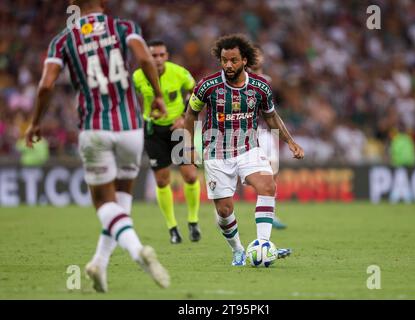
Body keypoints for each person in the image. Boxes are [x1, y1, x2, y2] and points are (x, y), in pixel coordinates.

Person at [25, 0, 170, 292]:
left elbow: (46, 85)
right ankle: (98, 264)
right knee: (121, 201)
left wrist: (35, 121)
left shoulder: (63, 40)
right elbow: (144, 60)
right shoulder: (124, 27)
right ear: (103, 3)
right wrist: (157, 95)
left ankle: (138, 250)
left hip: (94, 127)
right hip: (130, 126)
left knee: (104, 203)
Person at [184, 34, 304, 266]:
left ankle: (263, 244)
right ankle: (238, 249)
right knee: (225, 210)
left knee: (267, 185)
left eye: (234, 60)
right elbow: (190, 113)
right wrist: (188, 145)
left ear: (245, 61)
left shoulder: (260, 86)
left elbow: (271, 117)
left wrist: (290, 141)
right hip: (216, 154)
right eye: (224, 60)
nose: (228, 65)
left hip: (248, 148)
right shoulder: (207, 86)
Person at [133, 40, 201, 244]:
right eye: (154, 55)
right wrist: (146, 112)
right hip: (154, 131)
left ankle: (193, 221)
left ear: (167, 56)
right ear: (147, 57)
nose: (158, 59)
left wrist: (183, 117)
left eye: (161, 55)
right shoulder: (137, 76)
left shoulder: (179, 73)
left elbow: (196, 93)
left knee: (190, 175)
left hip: (177, 129)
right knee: (162, 180)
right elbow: (136, 98)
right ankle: (172, 227)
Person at [251, 46, 287, 230]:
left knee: (273, 172)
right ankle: (222, 214)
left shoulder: (268, 81)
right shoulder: (243, 80)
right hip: (248, 131)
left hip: (265, 132)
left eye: (258, 55)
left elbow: (270, 110)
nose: (256, 58)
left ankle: (270, 212)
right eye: (253, 55)